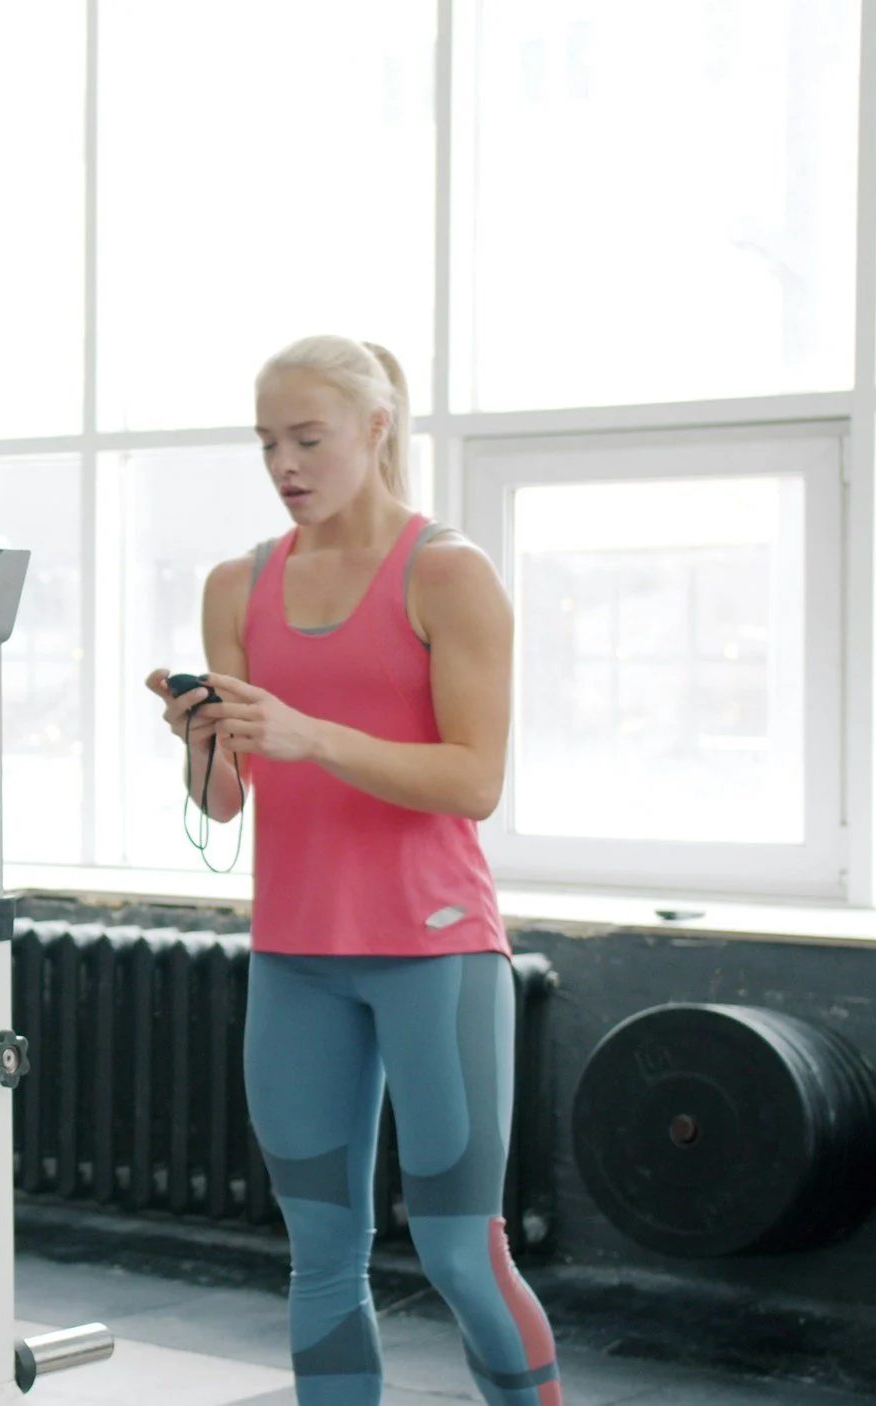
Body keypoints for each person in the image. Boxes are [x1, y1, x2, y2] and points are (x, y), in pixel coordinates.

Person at [146, 336, 561, 1406]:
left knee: (461, 1250)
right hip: (295, 956)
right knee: (320, 1253)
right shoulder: (238, 583)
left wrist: (310, 734)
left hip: (436, 952)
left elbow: (473, 779)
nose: (283, 463)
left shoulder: (447, 571)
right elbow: (228, 798)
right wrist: (199, 734)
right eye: (267, 443)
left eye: (307, 438)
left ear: (375, 429)